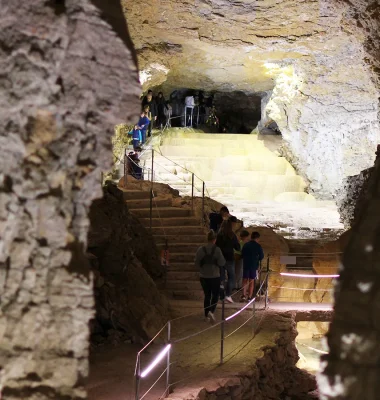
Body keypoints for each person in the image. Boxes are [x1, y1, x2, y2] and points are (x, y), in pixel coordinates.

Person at [195, 230, 225, 324]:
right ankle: (211, 312)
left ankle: (206, 315)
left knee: (207, 295)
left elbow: (196, 263)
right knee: (215, 295)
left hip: (203, 276)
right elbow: (222, 262)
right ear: (215, 240)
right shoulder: (217, 250)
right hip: (214, 276)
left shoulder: (201, 249)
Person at [216, 219, 240, 303]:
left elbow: (216, 247)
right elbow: (237, 247)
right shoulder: (232, 235)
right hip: (229, 258)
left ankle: (221, 296)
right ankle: (228, 295)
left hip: (220, 259)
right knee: (231, 277)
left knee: (221, 277)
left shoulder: (218, 235)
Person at [241, 232, 264, 302]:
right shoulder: (258, 246)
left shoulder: (246, 245)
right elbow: (261, 257)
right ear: (257, 238)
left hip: (246, 265)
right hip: (254, 266)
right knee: (252, 281)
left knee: (245, 280)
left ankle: (243, 295)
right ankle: (249, 297)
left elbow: (242, 254)